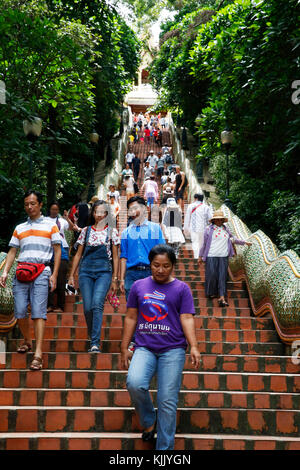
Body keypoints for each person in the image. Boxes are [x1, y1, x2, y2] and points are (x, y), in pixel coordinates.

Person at [121, 244, 201, 450]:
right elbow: (131, 317)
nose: (160, 270)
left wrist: (194, 346)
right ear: (150, 264)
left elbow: (187, 318)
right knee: (134, 382)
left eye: (166, 265)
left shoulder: (182, 289)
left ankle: (164, 450)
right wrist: (124, 347)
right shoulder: (139, 286)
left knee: (167, 400)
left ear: (173, 266)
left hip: (173, 349)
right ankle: (148, 421)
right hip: (144, 347)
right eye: (156, 265)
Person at [0, 190, 61, 370]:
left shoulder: (51, 225)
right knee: (19, 311)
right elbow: (12, 252)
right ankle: (27, 339)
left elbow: (57, 250)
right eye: (27, 204)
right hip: (21, 271)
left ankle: (38, 353)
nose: (29, 207)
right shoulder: (20, 228)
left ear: (40, 205)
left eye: (33, 203)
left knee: (38, 312)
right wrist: (4, 272)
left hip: (42, 271)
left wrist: (55, 275)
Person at [68, 200, 120, 352]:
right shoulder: (86, 231)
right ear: (93, 213)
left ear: (106, 214)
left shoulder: (112, 231)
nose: (99, 215)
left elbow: (116, 257)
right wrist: (72, 275)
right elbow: (78, 255)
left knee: (97, 304)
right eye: (96, 211)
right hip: (85, 271)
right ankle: (92, 334)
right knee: (87, 307)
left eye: (102, 212)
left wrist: (115, 278)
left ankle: (95, 342)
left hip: (104, 271)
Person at [120, 196, 165, 350]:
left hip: (149, 273)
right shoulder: (126, 232)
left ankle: (151, 340)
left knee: (152, 306)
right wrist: (120, 278)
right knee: (132, 308)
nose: (133, 212)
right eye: (130, 209)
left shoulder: (155, 228)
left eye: (135, 208)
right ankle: (135, 340)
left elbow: (162, 252)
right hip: (131, 274)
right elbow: (123, 256)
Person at [199, 210, 252, 307]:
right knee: (212, 275)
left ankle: (222, 297)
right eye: (217, 219)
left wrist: (244, 242)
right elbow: (204, 244)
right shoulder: (208, 230)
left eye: (221, 219)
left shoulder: (226, 229)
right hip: (211, 255)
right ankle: (211, 292)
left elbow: (233, 239)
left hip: (223, 256)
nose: (219, 221)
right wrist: (200, 256)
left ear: (223, 220)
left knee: (222, 276)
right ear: (213, 221)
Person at [46, 201, 72, 313]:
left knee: (60, 280)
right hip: (48, 252)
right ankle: (50, 305)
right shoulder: (45, 221)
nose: (54, 211)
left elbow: (72, 228)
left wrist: (67, 218)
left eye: (56, 209)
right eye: (52, 209)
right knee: (49, 280)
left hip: (62, 252)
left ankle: (61, 306)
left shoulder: (61, 221)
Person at [184, 194, 213, 259]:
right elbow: (210, 218)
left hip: (193, 228)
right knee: (202, 243)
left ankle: (196, 257)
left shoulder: (191, 206)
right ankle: (202, 257)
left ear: (196, 198)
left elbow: (187, 218)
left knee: (195, 242)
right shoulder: (206, 207)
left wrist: (185, 228)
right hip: (203, 228)